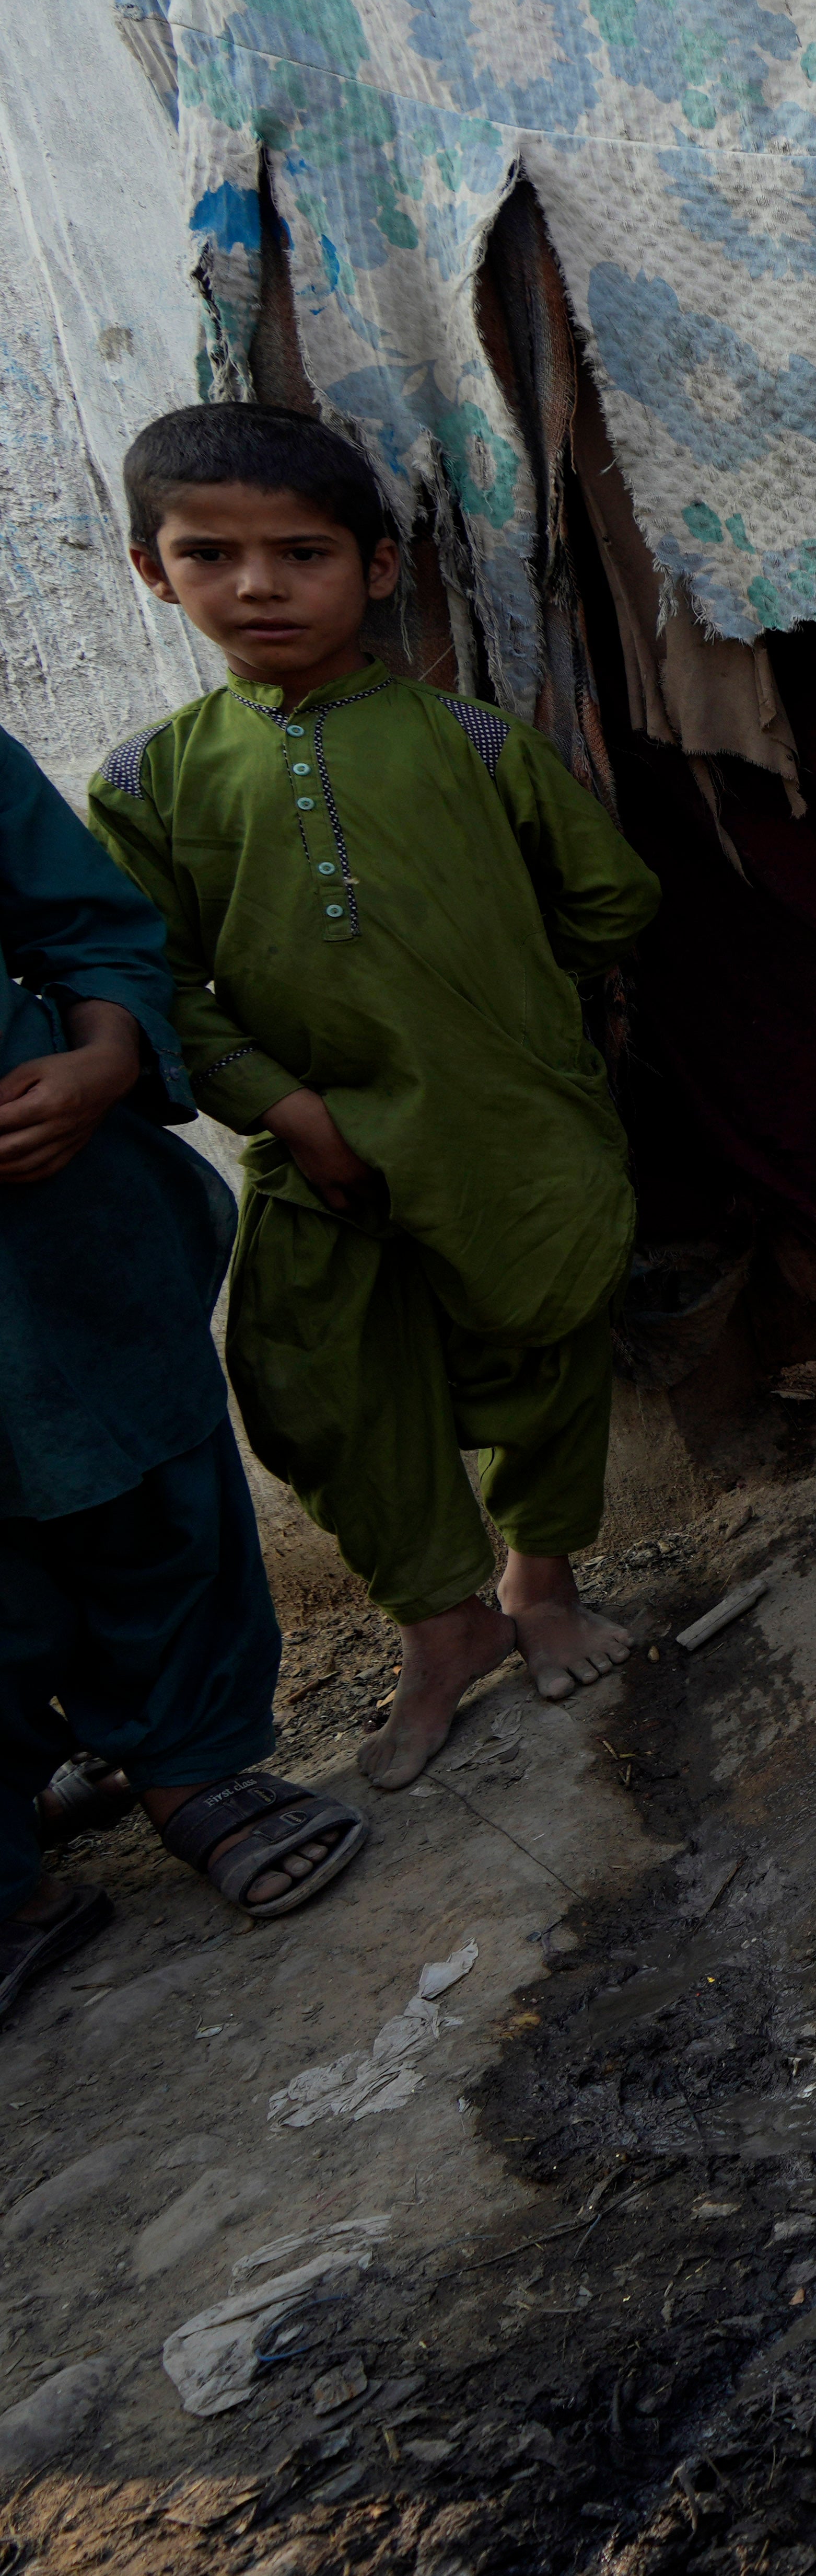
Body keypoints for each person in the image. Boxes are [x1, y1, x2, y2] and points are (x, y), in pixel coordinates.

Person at [87, 405, 658, 1794]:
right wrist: (284, 1108)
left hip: (505, 1134)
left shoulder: (470, 745)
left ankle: (540, 1581)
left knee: (547, 1345)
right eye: (210, 556)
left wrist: (506, 1031)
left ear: (380, 572)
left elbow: (609, 897)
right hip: (311, 1148)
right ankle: (441, 1624)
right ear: (153, 574)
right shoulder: (152, 782)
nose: (261, 587)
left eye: (304, 553)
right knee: (324, 1384)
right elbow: (151, 980)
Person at [4, 724, 365, 2016]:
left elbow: (95, 933)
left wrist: (104, 1059)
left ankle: (188, 1768)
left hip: (50, 1242)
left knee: (147, 1495)